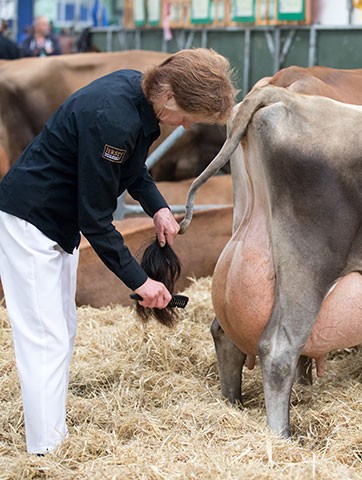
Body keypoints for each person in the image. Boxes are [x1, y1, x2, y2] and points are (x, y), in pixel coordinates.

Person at [0, 48, 237, 454]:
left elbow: (132, 169)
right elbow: (96, 219)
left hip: (58, 222)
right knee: (45, 338)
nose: (184, 126)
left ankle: (52, 432)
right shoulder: (113, 118)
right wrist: (140, 281)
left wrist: (159, 208)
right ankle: (45, 452)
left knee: (63, 331)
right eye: (187, 117)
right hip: (31, 222)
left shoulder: (138, 92)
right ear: (169, 98)